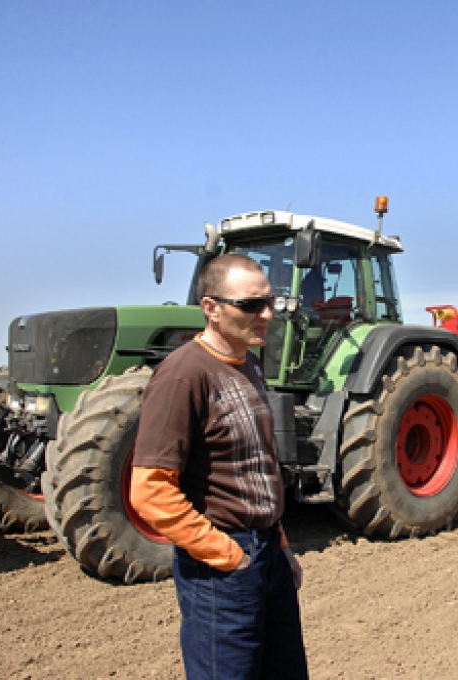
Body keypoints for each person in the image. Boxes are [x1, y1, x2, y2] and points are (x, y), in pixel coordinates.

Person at [130, 253, 308, 680]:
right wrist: (227, 555)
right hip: (222, 568)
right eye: (251, 305)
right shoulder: (183, 375)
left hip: (268, 552)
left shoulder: (250, 365)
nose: (267, 315)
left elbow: (258, 467)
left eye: (270, 302)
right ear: (210, 308)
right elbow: (150, 490)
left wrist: (280, 545)